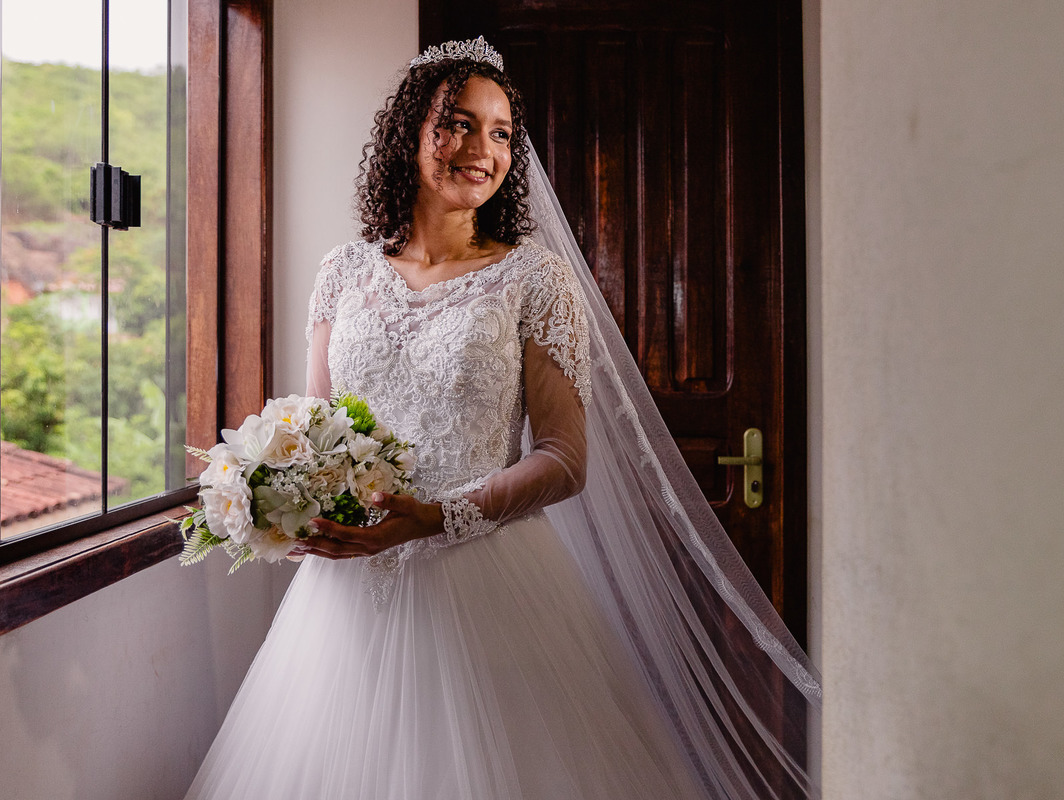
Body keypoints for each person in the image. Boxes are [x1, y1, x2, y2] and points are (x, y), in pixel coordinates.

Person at [185, 37, 820, 799]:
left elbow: (564, 459)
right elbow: (319, 432)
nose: (481, 151)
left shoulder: (535, 279)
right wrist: (293, 507)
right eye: (457, 123)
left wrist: (436, 517)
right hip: (348, 592)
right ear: (408, 132)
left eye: (500, 133)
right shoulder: (342, 272)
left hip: (482, 575)